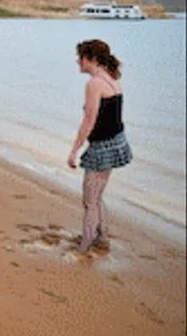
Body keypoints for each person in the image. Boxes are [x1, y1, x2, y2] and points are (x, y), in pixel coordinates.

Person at [68, 39, 133, 254]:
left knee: (89, 200)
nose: (78, 61)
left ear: (92, 59)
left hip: (103, 146)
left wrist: (75, 150)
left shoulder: (94, 84)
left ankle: (85, 246)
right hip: (116, 142)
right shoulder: (112, 79)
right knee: (97, 196)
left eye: (81, 57)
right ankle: (101, 236)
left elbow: (89, 120)